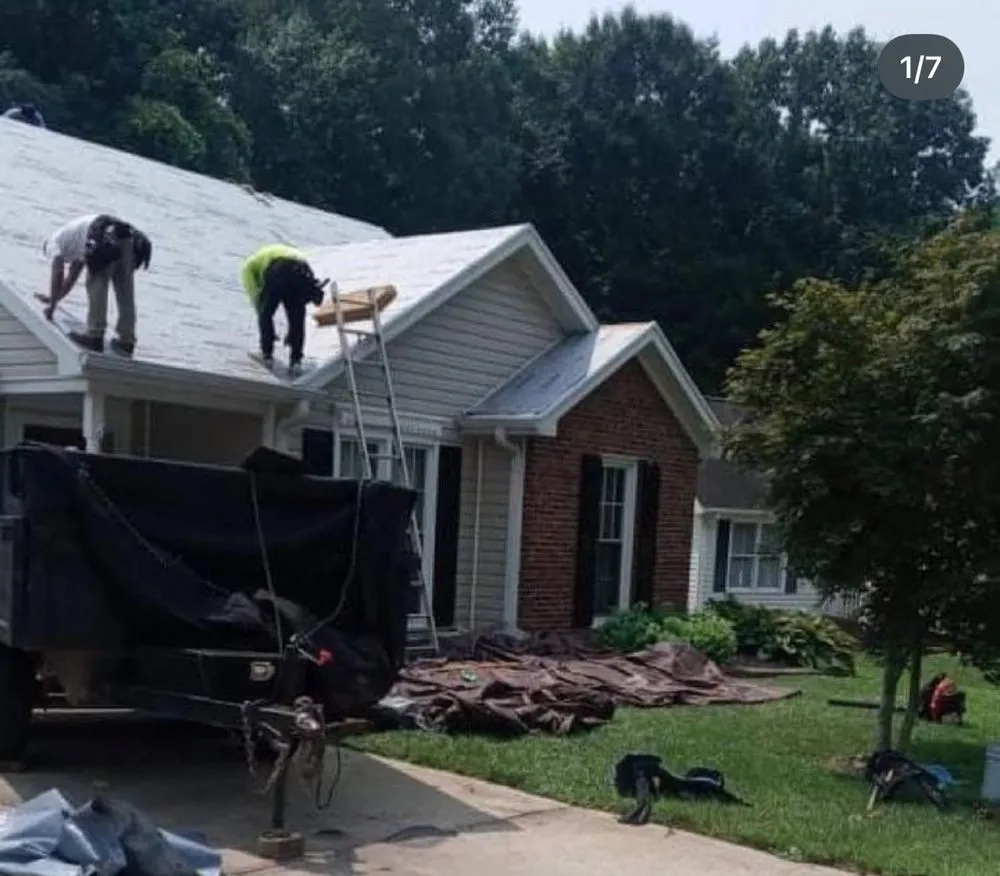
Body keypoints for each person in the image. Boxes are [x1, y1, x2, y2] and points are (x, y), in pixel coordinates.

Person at [36, 214, 153, 357]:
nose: (66, 262)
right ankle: (126, 341)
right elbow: (71, 278)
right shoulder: (75, 242)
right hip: (126, 236)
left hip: (104, 234)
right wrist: (54, 298)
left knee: (96, 281)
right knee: (125, 289)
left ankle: (94, 335)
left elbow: (58, 272)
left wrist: (51, 308)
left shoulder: (53, 243)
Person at [241, 244, 326, 377]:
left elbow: (256, 299)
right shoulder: (276, 253)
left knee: (266, 313)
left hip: (279, 268)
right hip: (301, 269)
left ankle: (267, 356)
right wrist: (292, 332)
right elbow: (302, 295)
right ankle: (296, 362)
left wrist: (267, 329)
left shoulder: (247, 267)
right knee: (297, 317)